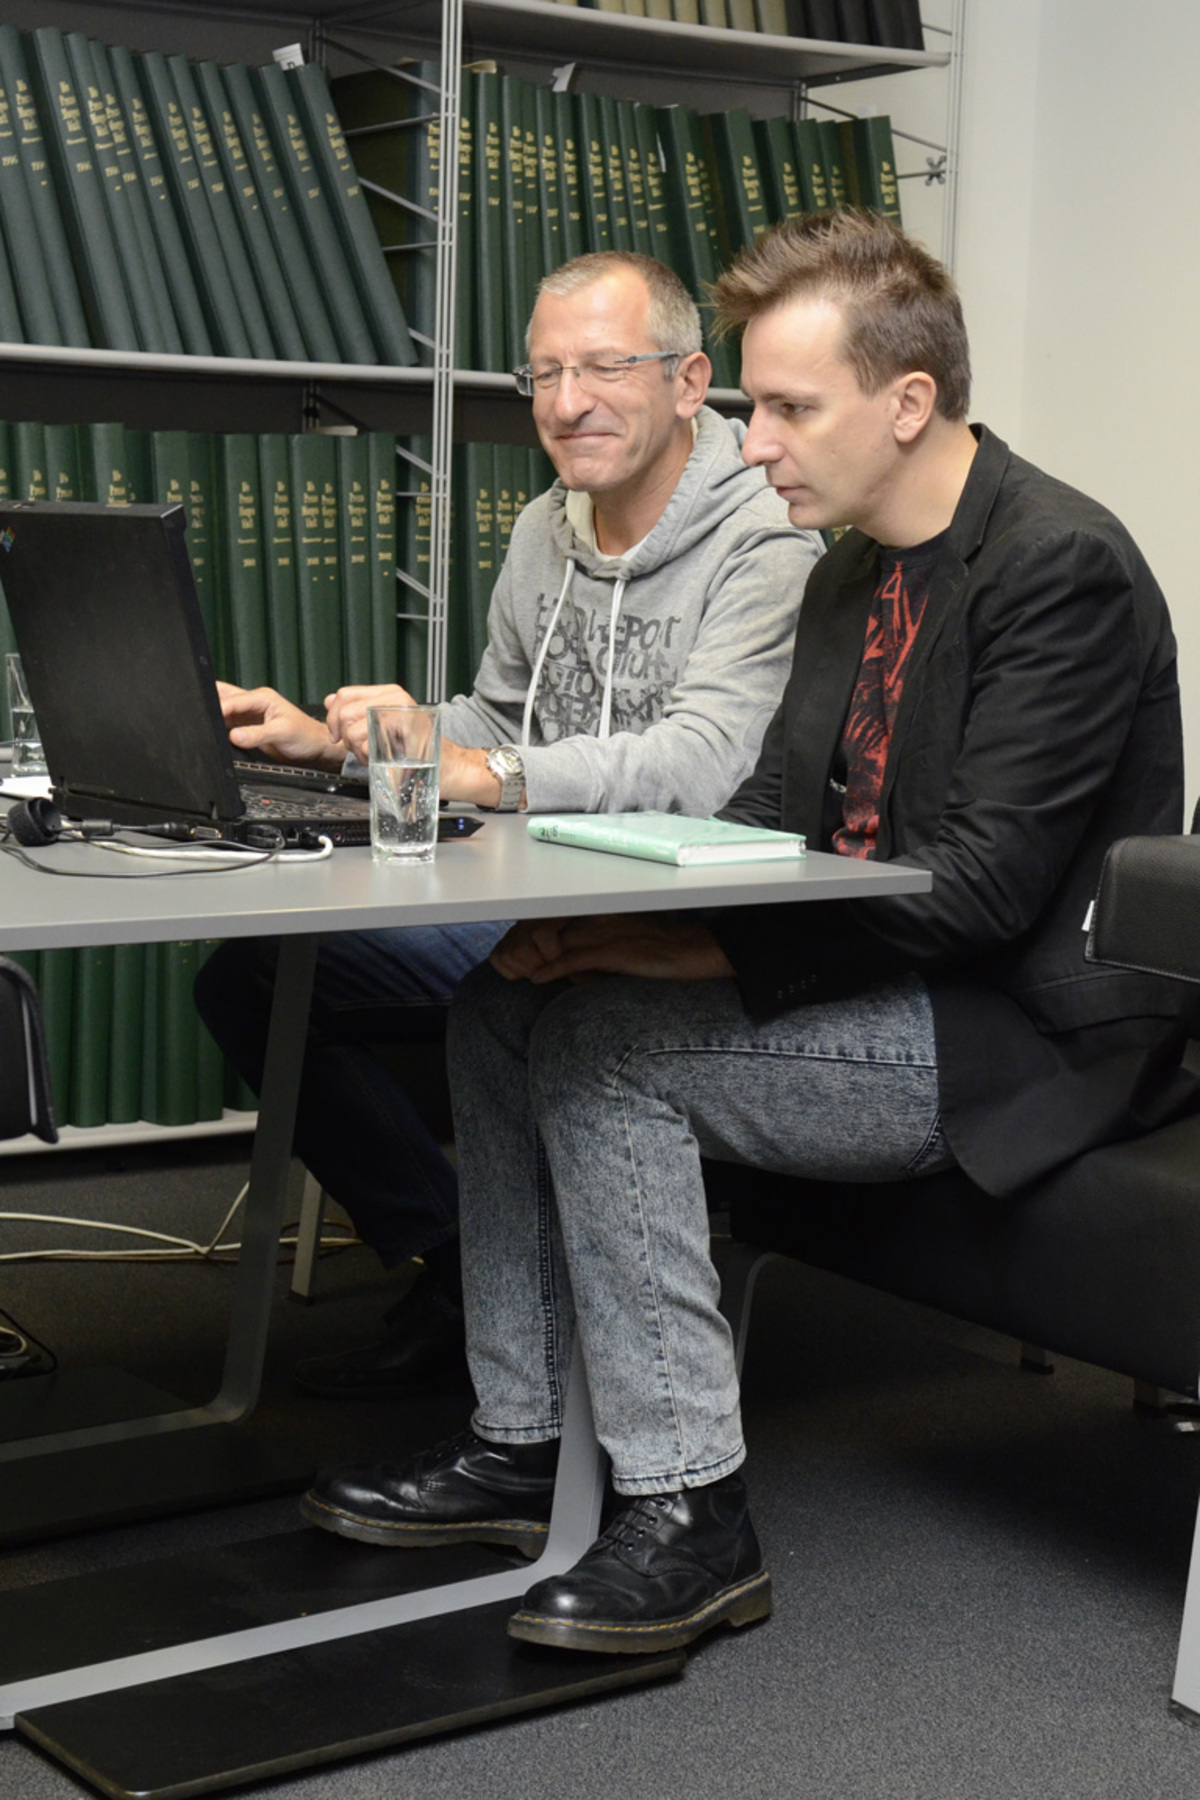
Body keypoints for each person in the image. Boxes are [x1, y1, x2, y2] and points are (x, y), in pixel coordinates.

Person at [300, 210, 1200, 1657]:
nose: (755, 441)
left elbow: (979, 892)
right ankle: (521, 1436)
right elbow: (778, 806)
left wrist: (687, 954)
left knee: (605, 1052)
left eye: (789, 408)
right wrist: (625, 921)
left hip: (1024, 1037)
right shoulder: (850, 566)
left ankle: (690, 1513)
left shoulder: (1058, 567)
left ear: (908, 405)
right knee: (504, 1003)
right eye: (754, 405)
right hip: (887, 980)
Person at [195, 251, 819, 1397]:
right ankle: (461, 1251)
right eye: (541, 373)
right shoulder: (547, 524)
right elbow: (491, 712)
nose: (565, 402)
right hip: (527, 883)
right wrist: (346, 739)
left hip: (666, 912)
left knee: (438, 995)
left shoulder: (767, 541)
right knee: (253, 979)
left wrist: (484, 770)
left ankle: (507, 1311)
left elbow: (700, 762)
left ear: (689, 382)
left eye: (601, 368)